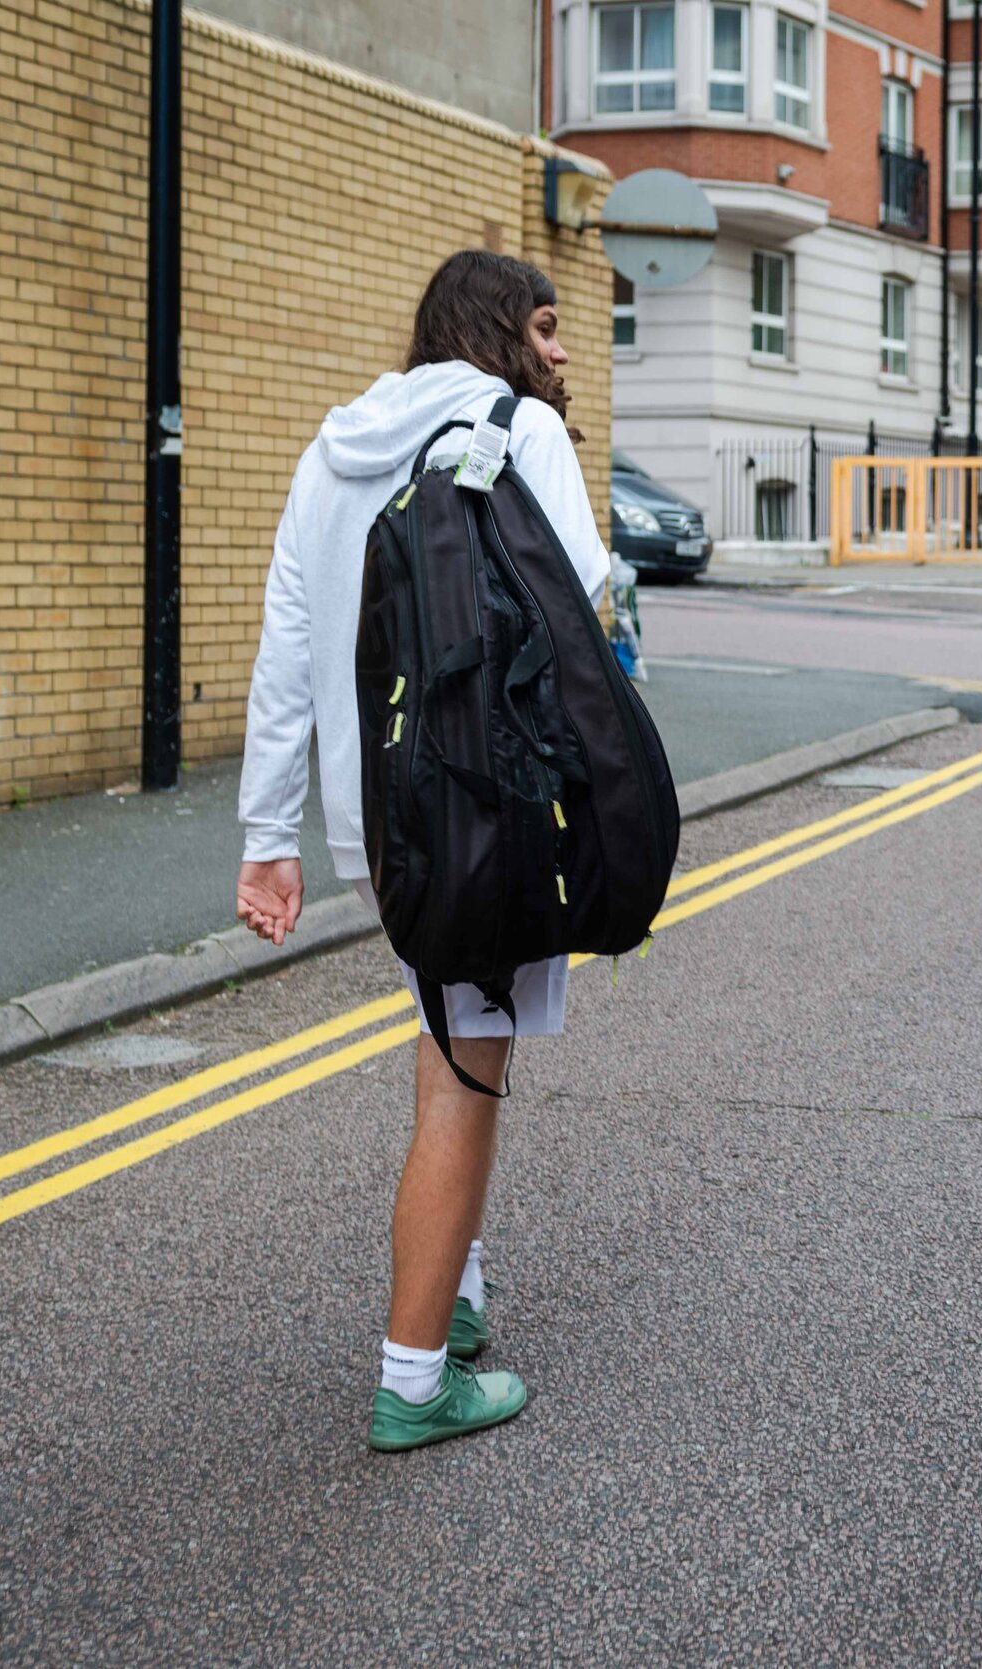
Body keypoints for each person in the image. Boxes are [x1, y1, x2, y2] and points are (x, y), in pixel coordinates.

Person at [234, 250, 611, 1453]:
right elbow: (584, 595)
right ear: (497, 327)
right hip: (479, 808)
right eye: (546, 326)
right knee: (468, 1065)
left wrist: (266, 835)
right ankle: (414, 1378)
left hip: (372, 816)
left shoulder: (331, 445)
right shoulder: (517, 430)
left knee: (446, 1033)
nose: (560, 351)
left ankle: (451, 1299)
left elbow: (287, 642)